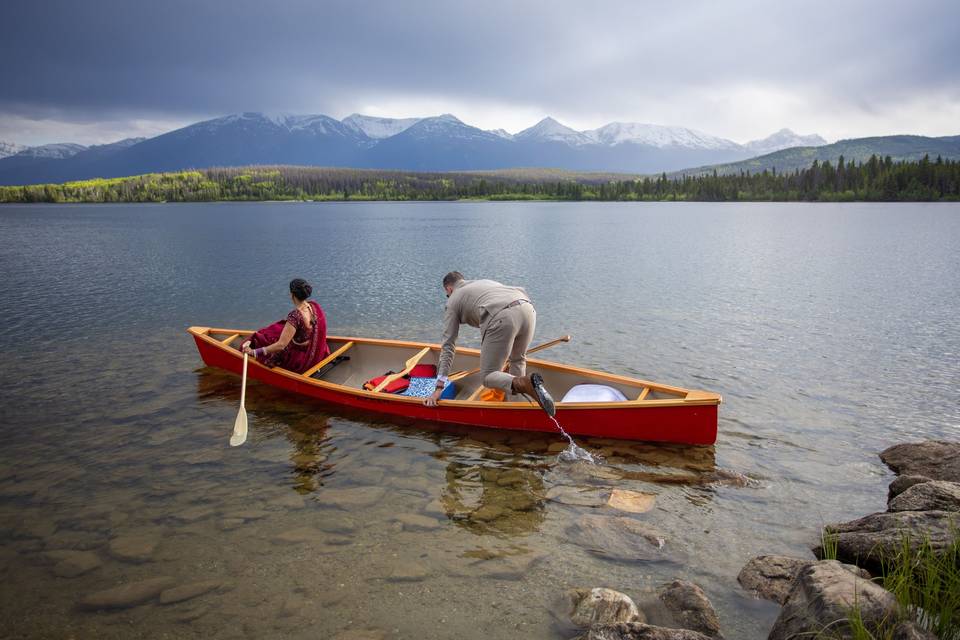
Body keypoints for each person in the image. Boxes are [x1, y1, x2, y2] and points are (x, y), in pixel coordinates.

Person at [424, 272, 554, 414]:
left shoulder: (453, 300)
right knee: (517, 360)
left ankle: (525, 383)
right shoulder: (481, 283)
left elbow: (448, 345)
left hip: (502, 316)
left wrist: (439, 388)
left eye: (447, 295)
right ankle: (517, 409)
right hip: (528, 309)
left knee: (488, 376)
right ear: (462, 280)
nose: (448, 297)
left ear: (448, 289)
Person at [241, 278, 330, 374]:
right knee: (275, 331)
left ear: (292, 295)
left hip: (299, 359)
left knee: (264, 340)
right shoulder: (314, 306)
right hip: (312, 351)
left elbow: (281, 345)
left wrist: (254, 352)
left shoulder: (295, 316)